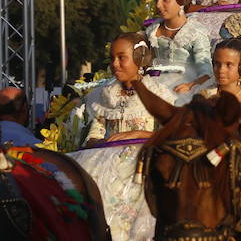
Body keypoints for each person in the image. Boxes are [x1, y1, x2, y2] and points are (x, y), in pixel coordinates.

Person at [74, 32, 178, 240]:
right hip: (105, 163)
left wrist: (139, 134)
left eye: (122, 57)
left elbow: (173, 134)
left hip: (143, 165)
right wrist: (99, 141)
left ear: (139, 59)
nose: (115, 64)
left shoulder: (158, 93)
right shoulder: (103, 95)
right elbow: (95, 130)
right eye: (112, 58)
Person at [143, 0, 212, 102]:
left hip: (185, 87)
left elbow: (206, 72)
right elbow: (146, 64)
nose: (158, 5)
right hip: (155, 85)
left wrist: (191, 85)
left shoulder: (195, 33)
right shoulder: (152, 31)